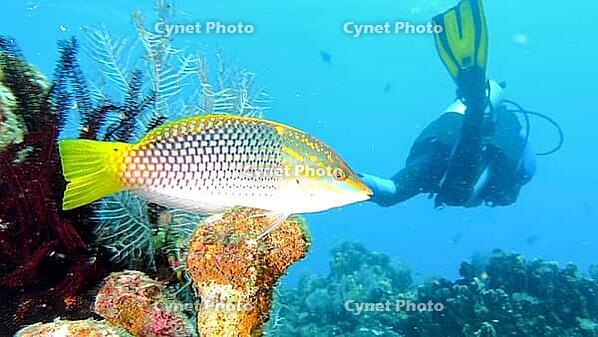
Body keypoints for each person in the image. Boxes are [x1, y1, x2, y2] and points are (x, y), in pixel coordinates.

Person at [360, 0, 538, 208]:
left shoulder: (505, 160)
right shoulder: (507, 176)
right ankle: (476, 102)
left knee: (392, 192)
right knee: (453, 193)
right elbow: (478, 185)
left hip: (438, 140)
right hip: (454, 143)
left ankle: (332, 175)